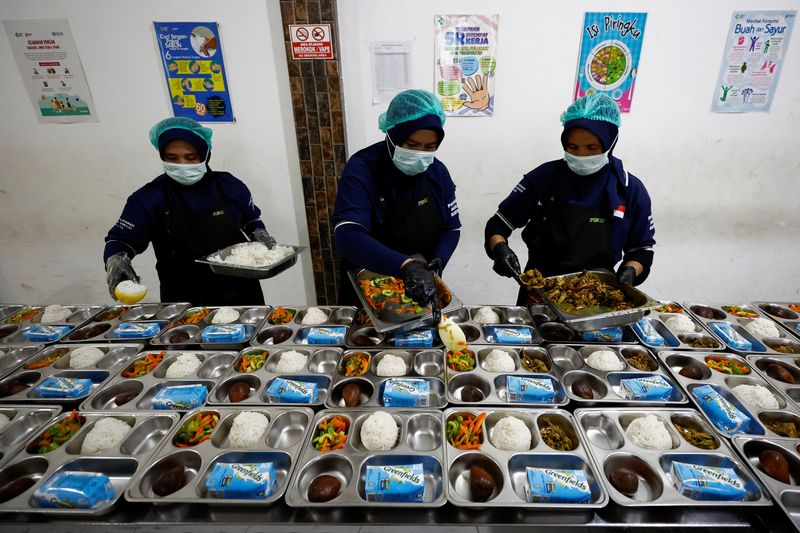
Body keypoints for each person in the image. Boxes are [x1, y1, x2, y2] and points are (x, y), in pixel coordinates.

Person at [485, 93, 655, 305]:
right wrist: (500, 249)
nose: (581, 155)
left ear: (611, 143)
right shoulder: (543, 178)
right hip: (540, 291)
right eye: (572, 147)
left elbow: (641, 250)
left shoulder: (630, 189)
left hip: (599, 296)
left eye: (591, 148)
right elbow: (498, 225)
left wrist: (630, 271)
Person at [103, 117, 277, 305]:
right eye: (172, 158)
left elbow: (251, 220)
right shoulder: (148, 198)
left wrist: (259, 233)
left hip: (240, 290)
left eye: (191, 157)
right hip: (183, 296)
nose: (182, 165)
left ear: (205, 155)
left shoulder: (230, 186)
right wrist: (116, 260)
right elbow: (120, 240)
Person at [333, 89, 461, 309]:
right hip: (367, 283)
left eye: (429, 147)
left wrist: (439, 259)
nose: (420, 154)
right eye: (411, 145)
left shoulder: (437, 173)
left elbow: (451, 229)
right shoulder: (363, 168)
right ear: (392, 135)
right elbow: (347, 235)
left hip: (420, 286)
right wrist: (404, 265)